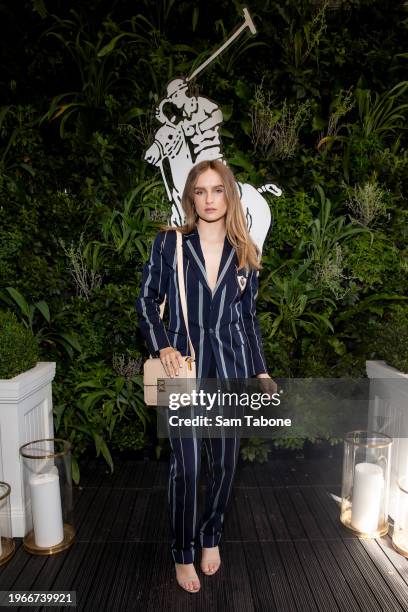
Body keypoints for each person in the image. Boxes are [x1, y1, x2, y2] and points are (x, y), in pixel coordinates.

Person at [135, 159, 276, 593]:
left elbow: (248, 319)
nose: (210, 199)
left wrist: (262, 370)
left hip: (232, 368)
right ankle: (182, 550)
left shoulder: (246, 249)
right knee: (188, 464)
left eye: (218, 190)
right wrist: (163, 344)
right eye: (201, 191)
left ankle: (211, 536)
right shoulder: (170, 245)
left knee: (227, 462)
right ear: (190, 197)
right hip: (184, 369)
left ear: (229, 195)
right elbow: (145, 299)